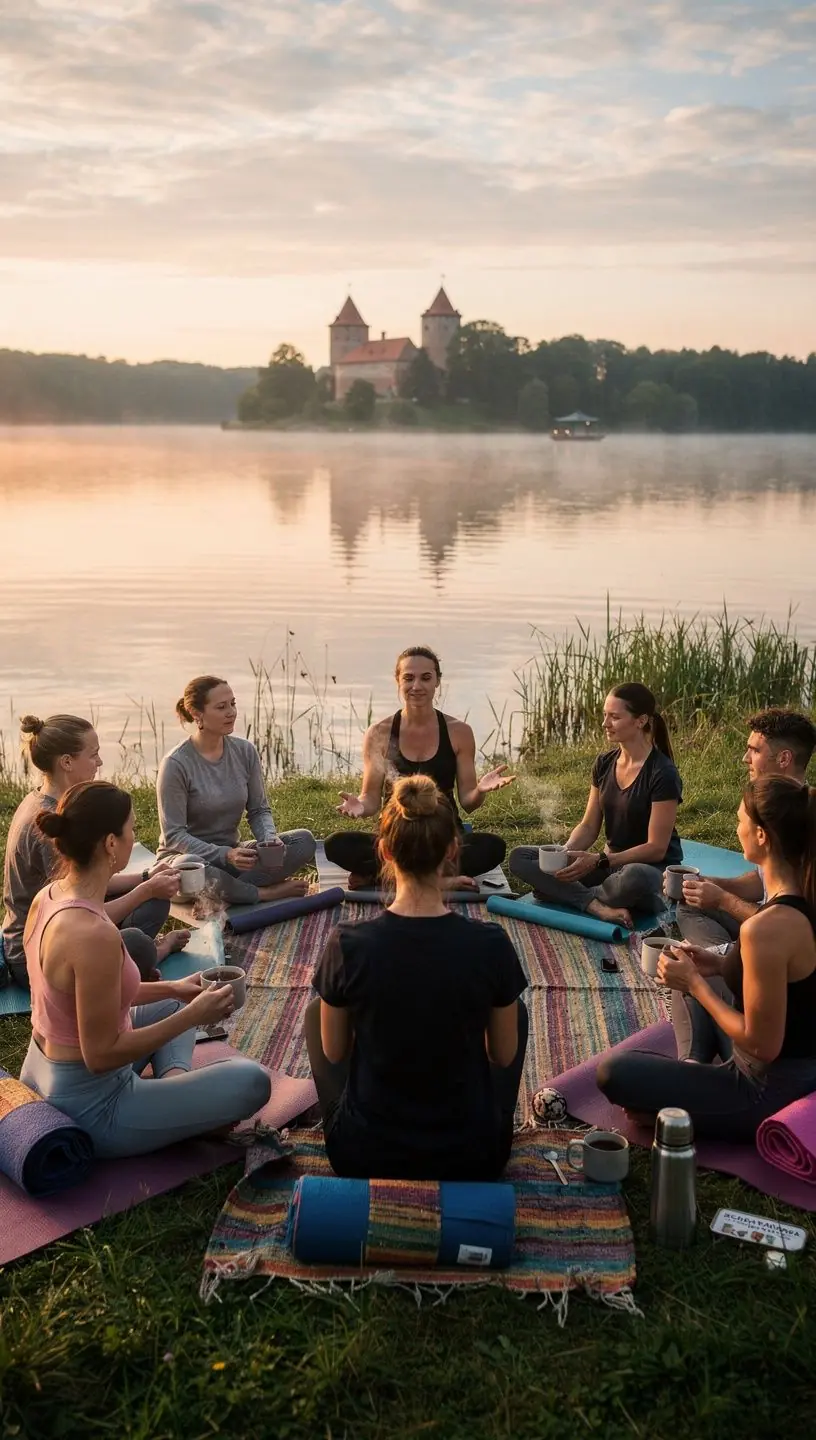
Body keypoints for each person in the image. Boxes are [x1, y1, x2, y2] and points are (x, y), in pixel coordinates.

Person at [19, 781, 271, 1158]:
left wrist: (175, 990)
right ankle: (177, 1105)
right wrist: (194, 1016)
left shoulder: (50, 897)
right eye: (132, 829)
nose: (134, 836)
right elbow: (100, 1055)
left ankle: (174, 1087)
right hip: (92, 1106)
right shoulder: (94, 936)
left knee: (173, 1000)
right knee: (252, 1081)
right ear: (110, 843)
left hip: (43, 1071)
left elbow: (90, 998)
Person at [306, 774, 529, 1179]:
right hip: (474, 1158)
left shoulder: (348, 944)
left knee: (318, 1011)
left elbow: (335, 1053)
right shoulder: (491, 944)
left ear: (384, 851)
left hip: (364, 1155)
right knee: (515, 1010)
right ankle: (488, 1120)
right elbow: (502, 1055)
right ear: (453, 850)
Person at [596, 777, 816, 1142]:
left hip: (763, 1091)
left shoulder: (766, 928)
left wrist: (695, 985)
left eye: (741, 819)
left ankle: (681, 1101)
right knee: (689, 965)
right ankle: (691, 1071)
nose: (737, 827)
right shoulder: (801, 899)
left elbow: (763, 1046)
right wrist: (713, 966)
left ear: (762, 836)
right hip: (793, 1068)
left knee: (614, 1071)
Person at [2, 714, 189, 988]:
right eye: (93, 755)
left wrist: (147, 877)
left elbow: (89, 879)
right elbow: (79, 913)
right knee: (138, 943)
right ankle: (152, 953)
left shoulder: (57, 806)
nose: (100, 762)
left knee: (156, 901)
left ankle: (129, 955)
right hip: (37, 955)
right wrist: (146, 890)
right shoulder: (48, 827)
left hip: (69, 922)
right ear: (67, 762)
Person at [324, 646, 512, 890]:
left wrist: (481, 790)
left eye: (425, 678)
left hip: (444, 839)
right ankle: (438, 880)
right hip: (395, 836)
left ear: (437, 682)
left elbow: (468, 802)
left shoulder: (459, 732)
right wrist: (360, 806)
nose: (417, 686)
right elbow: (370, 797)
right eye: (408, 678)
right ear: (398, 681)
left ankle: (388, 876)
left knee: (492, 847)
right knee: (336, 844)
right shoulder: (379, 733)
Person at [509, 683, 682, 926]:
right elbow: (589, 826)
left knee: (635, 876)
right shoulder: (604, 763)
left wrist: (600, 860)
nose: (605, 723)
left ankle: (562, 893)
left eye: (614, 717)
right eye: (604, 715)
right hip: (606, 865)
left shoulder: (662, 773)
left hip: (651, 872)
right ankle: (595, 904)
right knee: (520, 857)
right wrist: (564, 855)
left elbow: (656, 848)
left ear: (641, 720)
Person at [157, 676, 316, 904]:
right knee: (191, 868)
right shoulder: (175, 764)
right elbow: (174, 836)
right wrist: (225, 855)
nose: (231, 712)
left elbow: (259, 810)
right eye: (221, 707)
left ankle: (225, 893)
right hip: (187, 860)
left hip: (234, 855)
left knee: (303, 841)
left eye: (233, 704)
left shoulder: (245, 751)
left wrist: (269, 840)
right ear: (196, 713)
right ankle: (264, 893)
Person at [676, 709, 816, 946]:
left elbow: (792, 924)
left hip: (787, 937)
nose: (745, 758)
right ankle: (723, 955)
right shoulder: (766, 803)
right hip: (765, 918)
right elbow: (762, 881)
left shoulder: (802, 819)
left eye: (755, 750)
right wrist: (711, 884)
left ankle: (726, 959)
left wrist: (723, 900)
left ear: (784, 759)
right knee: (689, 905)